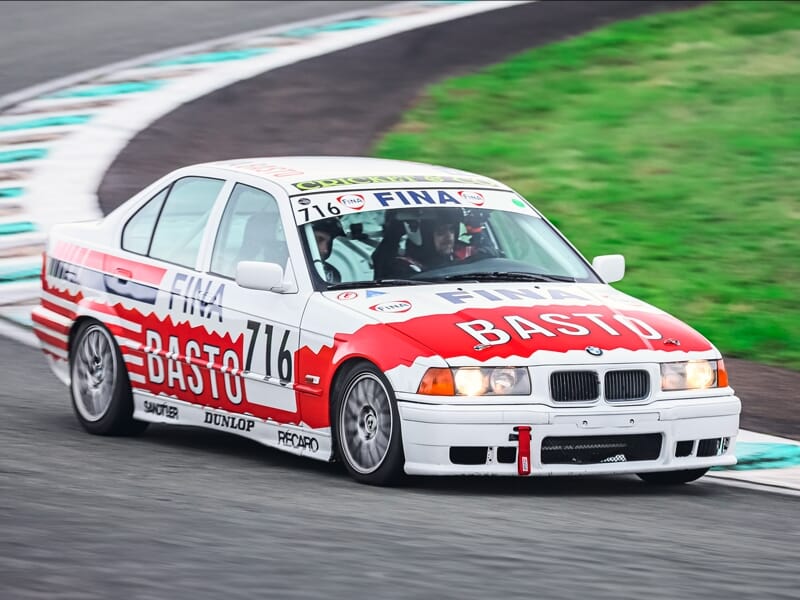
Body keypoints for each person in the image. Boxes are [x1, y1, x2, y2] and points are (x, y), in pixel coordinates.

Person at [372, 207, 463, 279]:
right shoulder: (401, 270)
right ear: (424, 236)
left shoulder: (464, 263)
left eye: (451, 230)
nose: (449, 237)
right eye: (441, 232)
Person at [311, 217, 345, 283]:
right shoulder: (288, 271)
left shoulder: (331, 275)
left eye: (329, 242)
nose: (325, 250)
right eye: (319, 240)